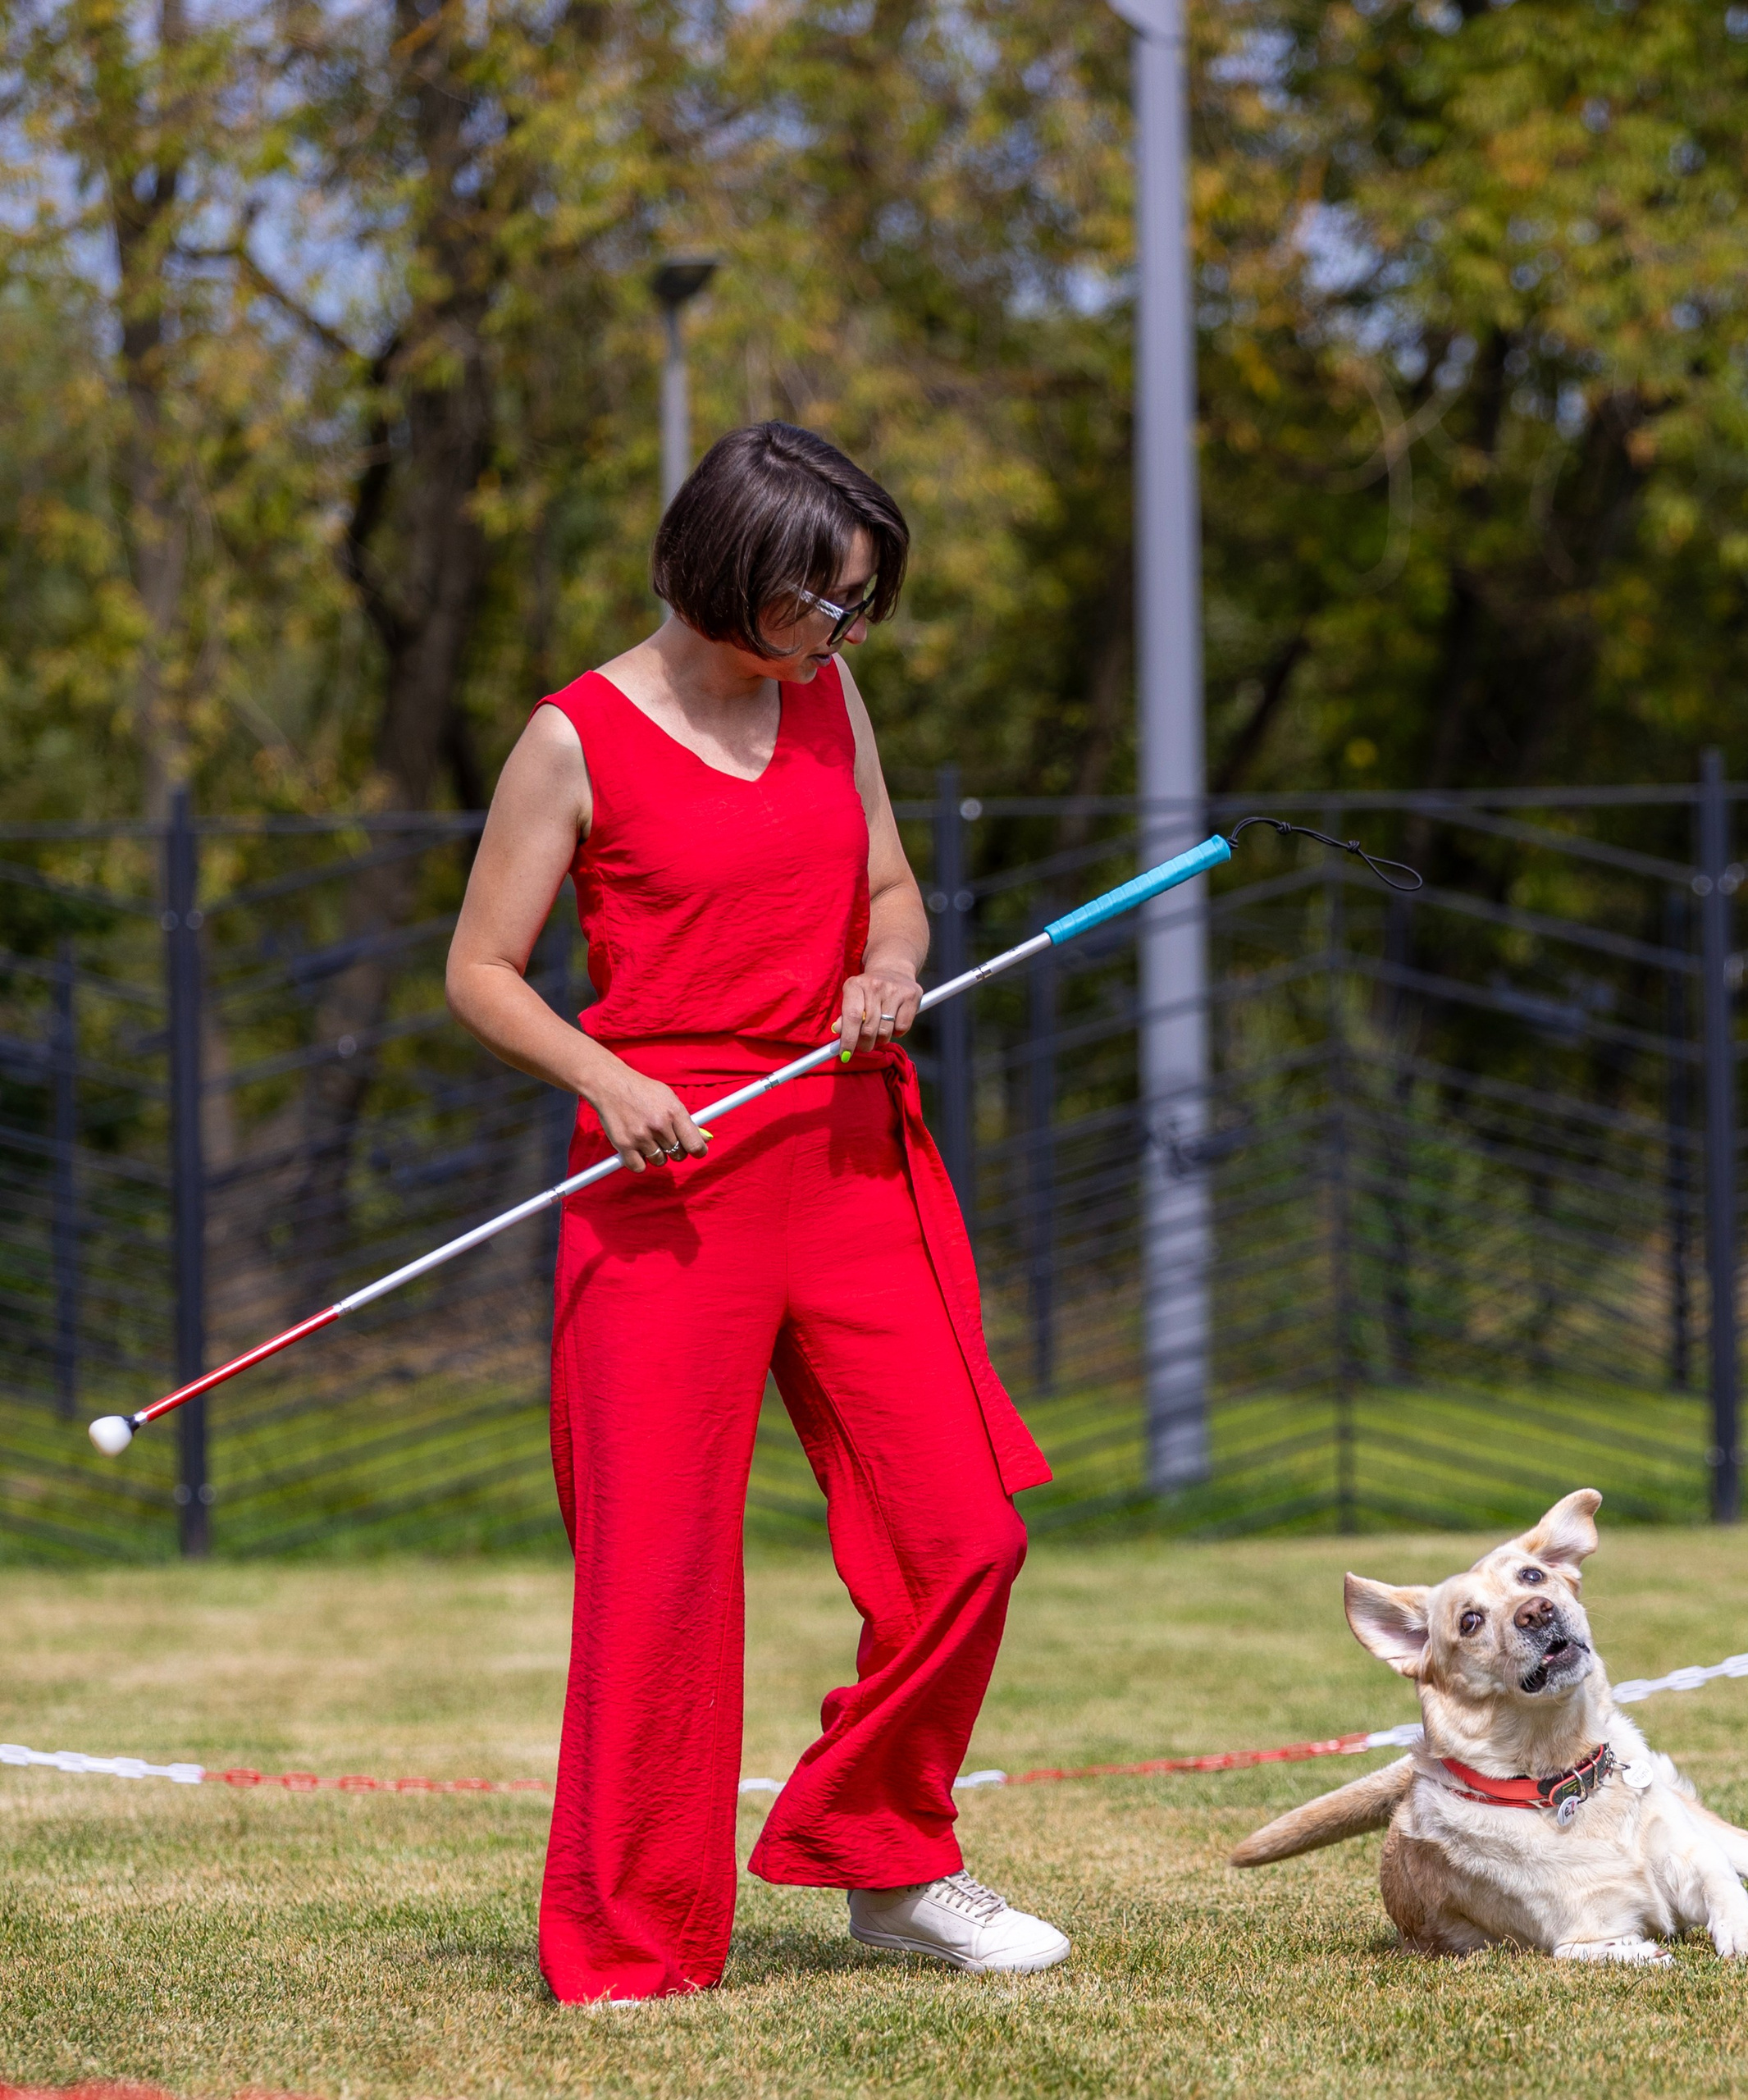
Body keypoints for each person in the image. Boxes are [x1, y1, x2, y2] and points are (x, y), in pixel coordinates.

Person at [445, 422, 1069, 2001]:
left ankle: (885, 1852)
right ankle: (632, 1949)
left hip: (851, 1157)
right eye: (825, 601)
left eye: (861, 606)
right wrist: (609, 1078)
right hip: (668, 1187)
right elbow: (481, 973)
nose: (845, 633)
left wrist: (888, 972)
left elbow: (891, 895)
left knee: (963, 1535)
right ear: (730, 571)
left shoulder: (827, 699)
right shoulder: (575, 738)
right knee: (655, 1579)